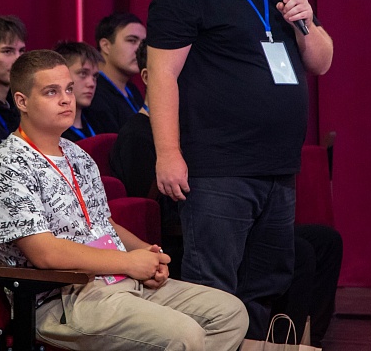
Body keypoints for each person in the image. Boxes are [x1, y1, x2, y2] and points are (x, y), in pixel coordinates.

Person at [146, 0, 334, 338]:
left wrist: (306, 21)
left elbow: (322, 62)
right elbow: (162, 76)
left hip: (277, 167)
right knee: (213, 289)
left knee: (265, 284)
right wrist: (168, 153)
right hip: (218, 168)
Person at [0, 50, 248, 350]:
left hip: (116, 278)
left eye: (68, 89)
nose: (66, 99)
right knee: (184, 335)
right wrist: (129, 262)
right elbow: (44, 253)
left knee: (230, 313)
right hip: (62, 298)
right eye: (51, 92)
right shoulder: (8, 165)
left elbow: (103, 225)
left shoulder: (77, 154)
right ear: (22, 101)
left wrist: (147, 253)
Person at [112, 39, 342, 345]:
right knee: (297, 254)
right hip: (184, 231)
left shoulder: (195, 126)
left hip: (231, 213)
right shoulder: (137, 135)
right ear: (149, 76)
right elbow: (156, 206)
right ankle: (271, 341)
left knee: (322, 241)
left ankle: (301, 341)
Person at [88, 12, 146, 134]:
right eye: (132, 40)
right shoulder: (92, 91)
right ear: (106, 45)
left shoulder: (133, 90)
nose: (140, 49)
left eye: (143, 43)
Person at [52, 40, 101, 142]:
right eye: (83, 73)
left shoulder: (100, 121)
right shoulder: (50, 131)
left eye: (95, 76)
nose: (91, 83)